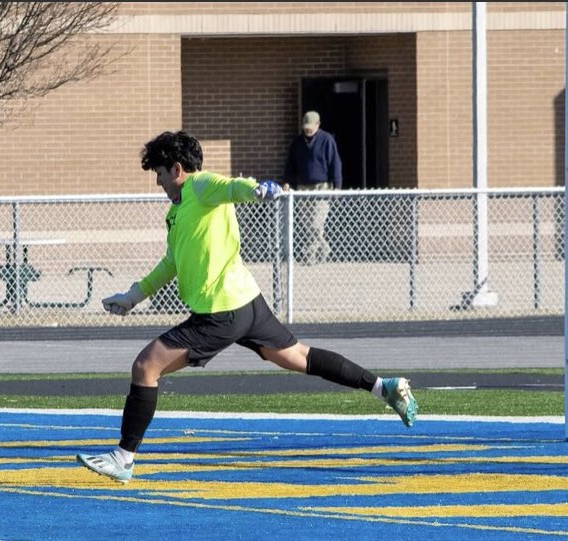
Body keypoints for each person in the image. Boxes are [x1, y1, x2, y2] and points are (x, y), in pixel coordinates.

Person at [75, 130, 417, 484]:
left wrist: (257, 190)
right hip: (247, 304)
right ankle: (384, 387)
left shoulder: (199, 186)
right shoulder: (178, 214)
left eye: (159, 174)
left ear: (177, 169)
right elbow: (172, 262)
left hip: (221, 313)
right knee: (299, 356)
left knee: (146, 367)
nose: (158, 182)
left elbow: (232, 187)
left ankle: (124, 458)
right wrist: (133, 296)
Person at [282, 110, 342, 264]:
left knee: (317, 221)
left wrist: (337, 186)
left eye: (311, 127)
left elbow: (335, 163)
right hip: (303, 186)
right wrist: (287, 181)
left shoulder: (327, 140)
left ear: (318, 125)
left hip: (322, 186)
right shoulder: (297, 143)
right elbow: (290, 164)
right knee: (306, 223)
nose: (308, 130)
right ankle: (324, 247)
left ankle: (310, 254)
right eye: (305, 127)